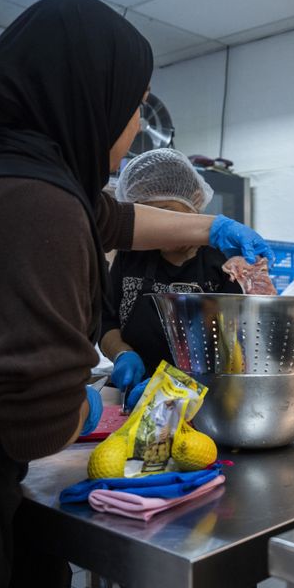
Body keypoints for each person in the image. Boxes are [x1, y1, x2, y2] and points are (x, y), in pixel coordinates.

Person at [0, 0, 272, 588]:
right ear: (89, 100)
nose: (132, 132)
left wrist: (209, 228)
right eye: (130, 110)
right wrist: (98, 412)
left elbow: (115, 221)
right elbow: (37, 429)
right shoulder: (33, 206)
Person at [100, 148, 243, 410]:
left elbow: (234, 347)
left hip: (203, 403)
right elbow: (106, 320)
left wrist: (177, 387)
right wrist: (122, 354)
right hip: (134, 396)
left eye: (167, 213)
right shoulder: (131, 256)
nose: (161, 233)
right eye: (152, 222)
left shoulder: (224, 261)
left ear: (195, 199)